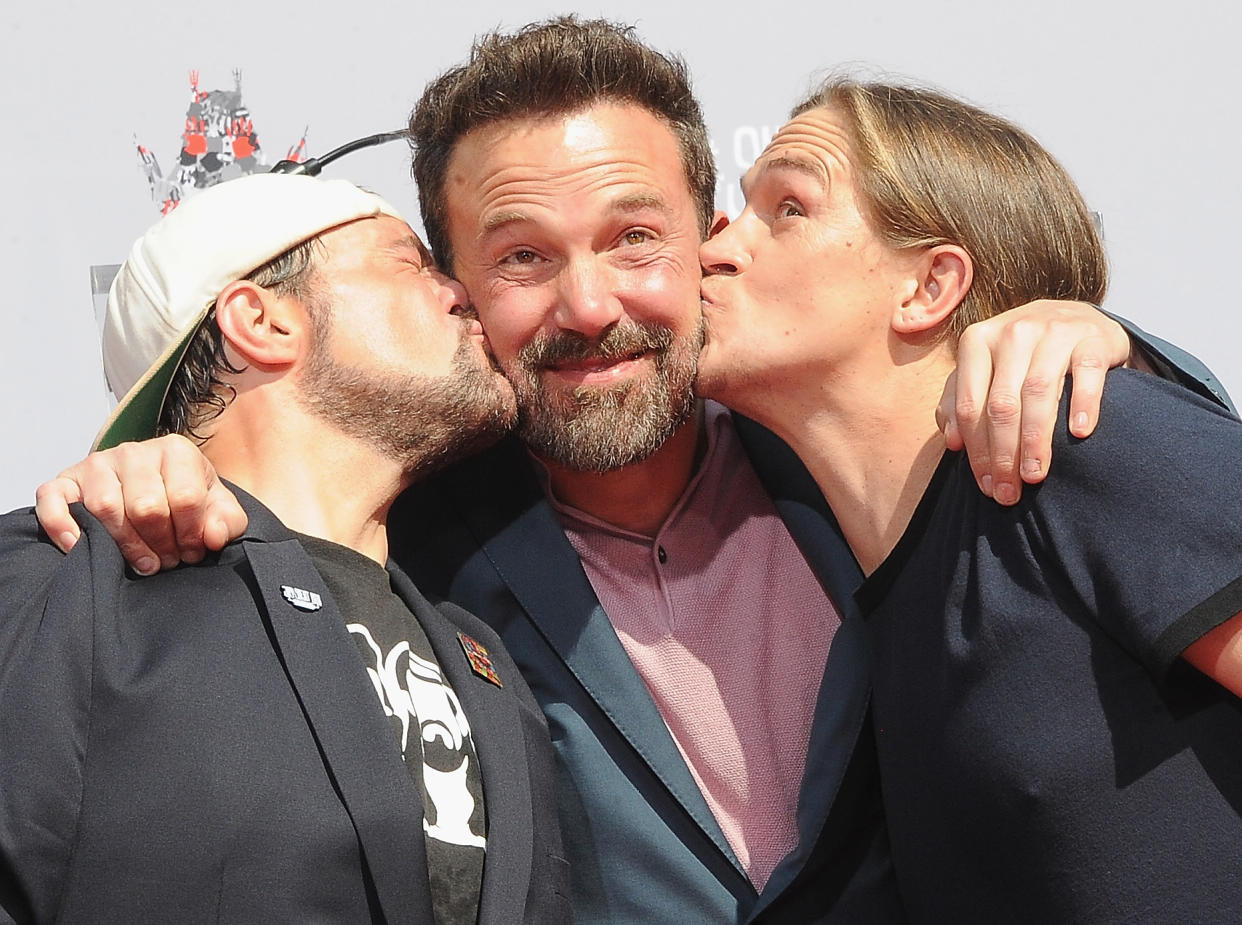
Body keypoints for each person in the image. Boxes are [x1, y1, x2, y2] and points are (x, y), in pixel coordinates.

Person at [30, 18, 1233, 924]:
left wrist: (1115, 347)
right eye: (520, 257)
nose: (591, 303)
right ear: (456, 287)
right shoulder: (419, 551)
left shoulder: (951, 454)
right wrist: (144, 471)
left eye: (634, 237)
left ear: (708, 238)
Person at [695, 77, 1242, 922]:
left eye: (790, 207)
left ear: (928, 286)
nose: (717, 244)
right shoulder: (872, 598)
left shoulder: (1082, 441)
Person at [0, 173, 570, 924]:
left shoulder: (484, 659)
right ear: (261, 322)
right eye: (411, 262)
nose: (459, 290)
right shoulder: (67, 586)